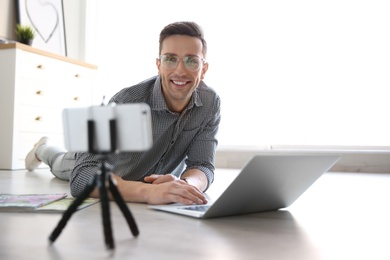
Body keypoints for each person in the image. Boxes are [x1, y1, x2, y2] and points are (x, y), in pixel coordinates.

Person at [25, 21, 221, 206]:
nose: (180, 70)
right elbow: (83, 174)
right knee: (60, 161)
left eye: (191, 61)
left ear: (203, 69)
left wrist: (187, 186)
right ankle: (43, 148)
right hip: (104, 169)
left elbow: (202, 165)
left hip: (142, 179)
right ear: (158, 65)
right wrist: (148, 192)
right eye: (170, 59)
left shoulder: (210, 104)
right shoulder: (125, 102)